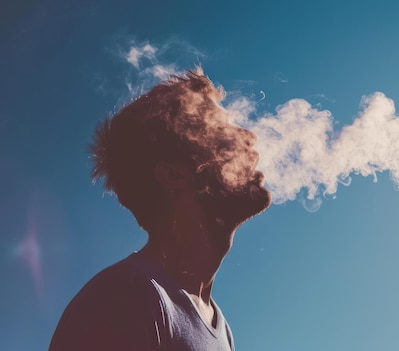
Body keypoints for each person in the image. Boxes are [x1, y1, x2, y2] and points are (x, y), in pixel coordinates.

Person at [49, 69, 271, 350]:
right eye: (220, 130)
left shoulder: (222, 329)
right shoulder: (124, 298)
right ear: (175, 175)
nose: (249, 137)